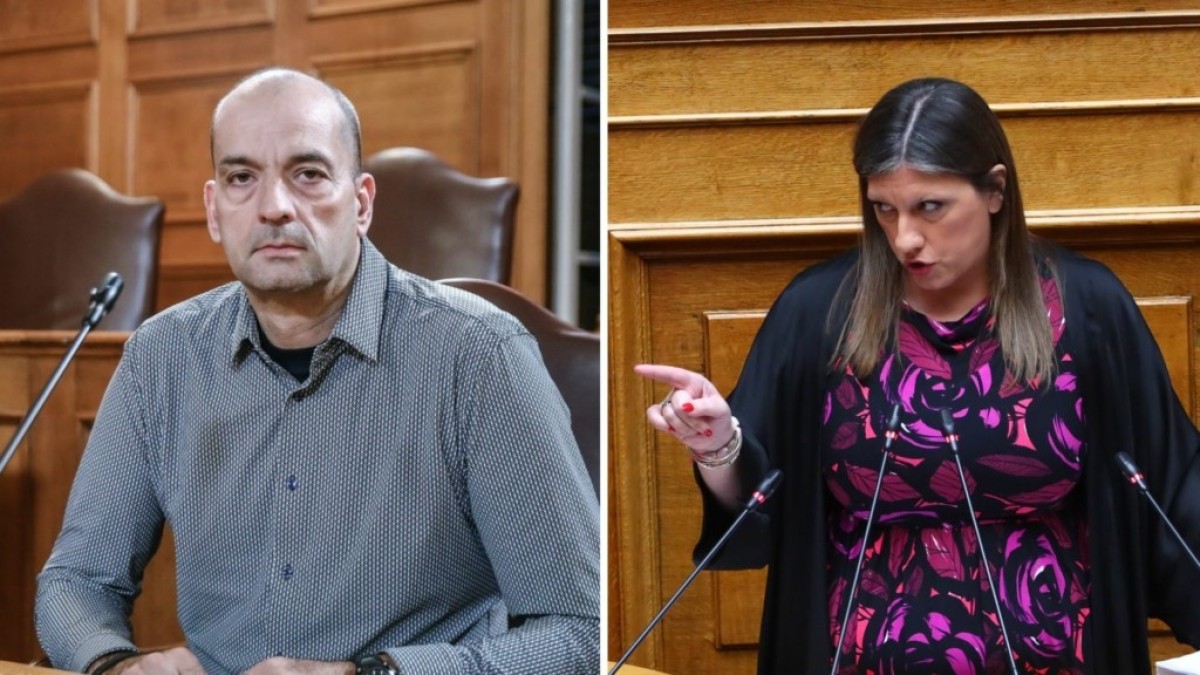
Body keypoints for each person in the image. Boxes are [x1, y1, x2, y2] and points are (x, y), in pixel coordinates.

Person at [36, 67, 599, 675]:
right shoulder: (161, 357)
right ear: (214, 210)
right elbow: (76, 581)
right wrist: (115, 665)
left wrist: (374, 674)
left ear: (361, 202)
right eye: (242, 178)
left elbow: (582, 633)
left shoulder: (480, 356)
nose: (274, 208)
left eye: (307, 174)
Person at [637, 77, 1200, 674]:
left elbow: (1172, 489)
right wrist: (718, 448)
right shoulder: (819, 313)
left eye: (930, 207)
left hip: (1062, 660)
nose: (905, 237)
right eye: (885, 208)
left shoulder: (1085, 306)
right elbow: (759, 512)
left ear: (995, 191)